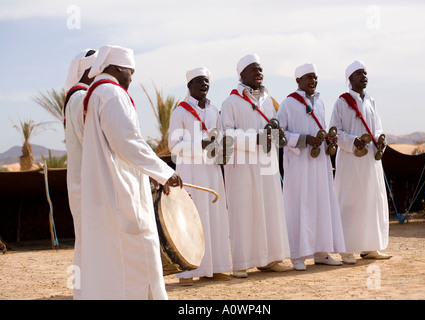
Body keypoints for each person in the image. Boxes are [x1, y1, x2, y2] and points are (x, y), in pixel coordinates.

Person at [80, 45, 183, 299]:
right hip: (120, 190)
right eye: (131, 72)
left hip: (110, 187)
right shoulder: (112, 94)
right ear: (117, 68)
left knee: (116, 258)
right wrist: (163, 171)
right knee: (138, 250)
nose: (132, 78)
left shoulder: (96, 94)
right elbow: (127, 142)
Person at [220, 53, 291, 278]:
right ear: (241, 75)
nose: (259, 73)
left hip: (267, 165)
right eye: (253, 69)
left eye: (260, 69)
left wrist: (275, 134)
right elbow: (226, 134)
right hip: (242, 167)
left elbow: (273, 126)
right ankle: (241, 263)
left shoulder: (268, 100)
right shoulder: (230, 102)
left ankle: (270, 259)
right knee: (244, 212)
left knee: (270, 208)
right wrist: (255, 138)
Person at [277, 63, 346, 270]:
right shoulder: (288, 104)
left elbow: (321, 130)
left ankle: (321, 252)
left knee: (321, 204)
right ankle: (297, 255)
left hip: (319, 164)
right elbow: (278, 136)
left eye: (315, 77)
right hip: (298, 164)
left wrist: (328, 141)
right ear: (298, 80)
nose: (313, 81)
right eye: (308, 77)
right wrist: (303, 139)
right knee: (299, 205)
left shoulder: (320, 102)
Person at [168, 67, 232, 286]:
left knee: (215, 216)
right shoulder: (180, 112)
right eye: (198, 82)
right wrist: (200, 145)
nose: (204, 85)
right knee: (193, 219)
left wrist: (224, 153)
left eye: (206, 82)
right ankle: (187, 272)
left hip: (213, 170)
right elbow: (174, 147)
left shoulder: (214, 110)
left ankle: (217, 267)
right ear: (189, 86)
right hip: (191, 171)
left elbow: (222, 136)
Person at [330, 60, 392, 264]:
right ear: (350, 78)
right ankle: (346, 250)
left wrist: (381, 139)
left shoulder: (371, 101)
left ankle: (370, 247)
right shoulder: (341, 102)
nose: (363, 76)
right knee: (350, 202)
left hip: (371, 162)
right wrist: (352, 141)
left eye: (365, 73)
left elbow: (379, 128)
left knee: (372, 201)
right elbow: (335, 132)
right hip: (351, 161)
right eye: (359, 73)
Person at [62, 48, 97, 300]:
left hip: (85, 181)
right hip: (89, 182)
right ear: (87, 70)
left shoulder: (78, 97)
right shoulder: (80, 98)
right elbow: (94, 141)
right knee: (92, 239)